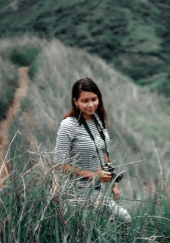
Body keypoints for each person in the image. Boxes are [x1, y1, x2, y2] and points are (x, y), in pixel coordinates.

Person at [53, 78, 131, 237]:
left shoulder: (98, 119)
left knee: (103, 229)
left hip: (100, 190)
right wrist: (94, 176)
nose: (90, 105)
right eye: (85, 101)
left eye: (94, 99)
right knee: (122, 219)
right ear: (75, 101)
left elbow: (104, 153)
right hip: (78, 193)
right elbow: (58, 165)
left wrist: (114, 184)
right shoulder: (68, 125)